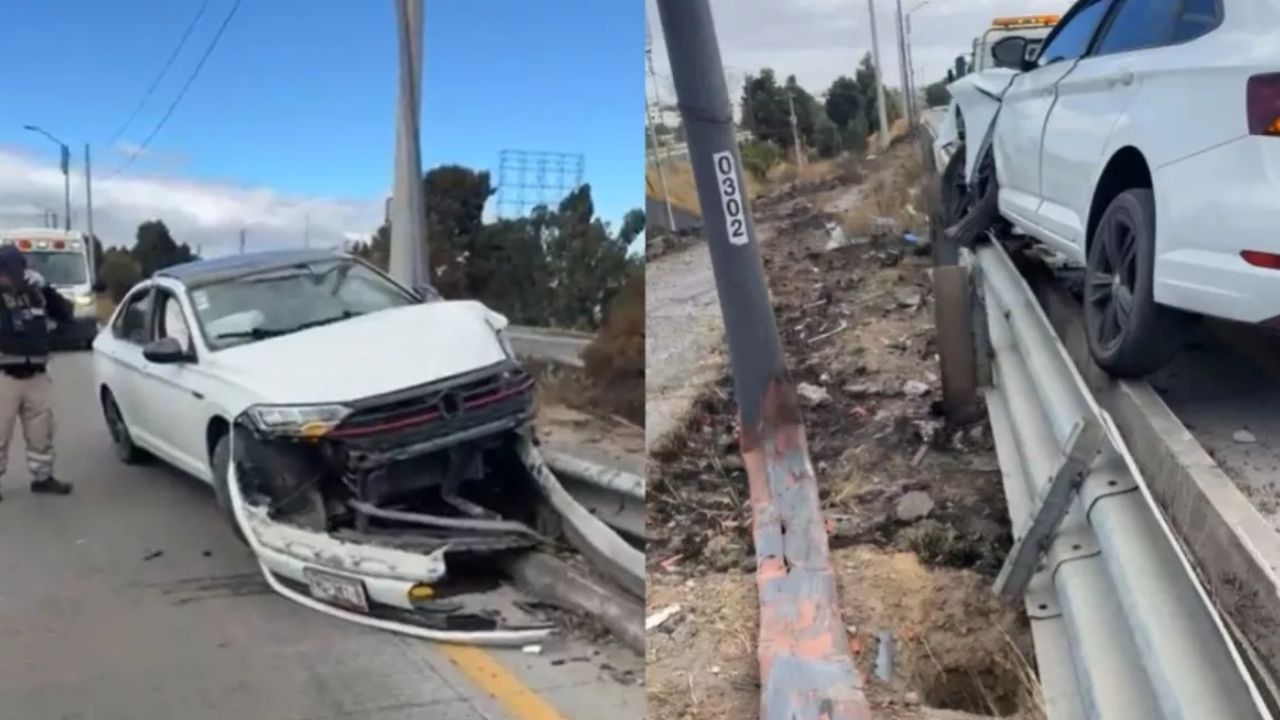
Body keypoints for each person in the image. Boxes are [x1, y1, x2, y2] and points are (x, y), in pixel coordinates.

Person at [0, 245, 73, 499]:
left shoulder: (35, 293)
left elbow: (65, 314)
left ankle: (42, 478)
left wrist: (46, 289)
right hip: (4, 375)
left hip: (36, 374)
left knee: (41, 431)